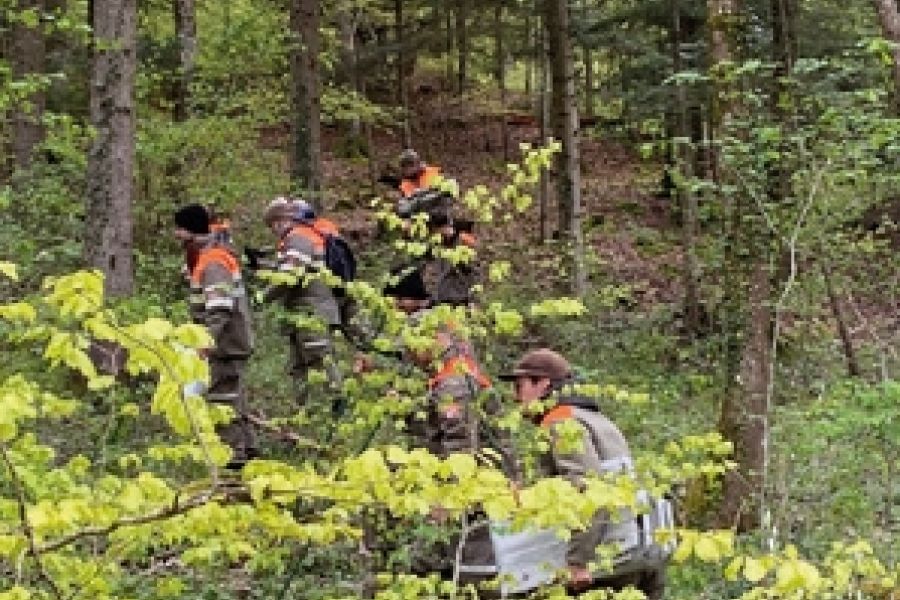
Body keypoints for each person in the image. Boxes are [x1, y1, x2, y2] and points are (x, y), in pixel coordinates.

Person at [501, 348, 666, 599]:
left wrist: (578, 561)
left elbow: (589, 488)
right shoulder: (595, 418)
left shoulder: (561, 422)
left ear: (543, 384)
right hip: (630, 551)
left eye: (519, 386)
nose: (515, 396)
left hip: (602, 561)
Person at [174, 204, 257, 470]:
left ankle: (234, 459)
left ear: (190, 230)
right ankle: (249, 452)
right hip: (226, 343)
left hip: (224, 344)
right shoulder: (206, 258)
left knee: (223, 401)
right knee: (234, 399)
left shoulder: (213, 262)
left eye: (179, 229)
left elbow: (219, 309)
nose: (175, 235)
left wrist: (204, 344)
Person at [262, 197, 343, 406]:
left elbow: (290, 276)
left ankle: (337, 404)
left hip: (311, 309)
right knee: (298, 365)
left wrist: (263, 296)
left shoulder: (298, 238)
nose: (273, 230)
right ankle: (302, 410)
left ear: (281, 220)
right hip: (303, 310)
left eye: (272, 225)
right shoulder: (301, 238)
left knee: (319, 358)